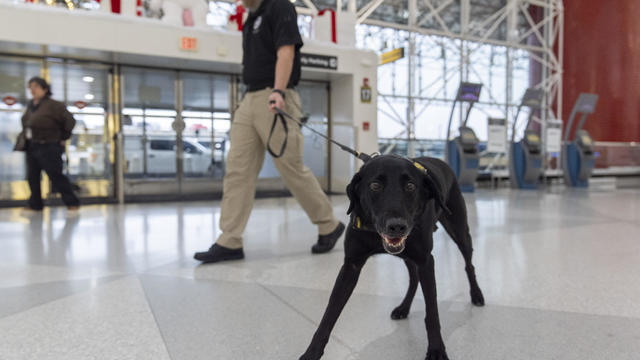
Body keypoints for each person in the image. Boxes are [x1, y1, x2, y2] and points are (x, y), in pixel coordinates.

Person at [194, 0, 345, 263]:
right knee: (237, 170)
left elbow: (285, 51)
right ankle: (229, 239)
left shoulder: (279, 6)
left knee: (291, 168)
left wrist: (278, 90)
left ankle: (328, 224)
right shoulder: (250, 18)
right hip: (249, 98)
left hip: (275, 95)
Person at [21, 77, 80, 212]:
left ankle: (72, 202)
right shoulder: (31, 105)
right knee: (32, 177)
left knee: (56, 175)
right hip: (32, 145)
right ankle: (35, 204)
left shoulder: (55, 105)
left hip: (49, 146)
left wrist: (63, 137)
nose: (32, 89)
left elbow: (70, 122)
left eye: (35, 86)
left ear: (45, 89)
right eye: (30, 86)